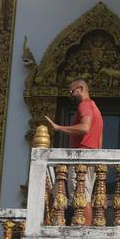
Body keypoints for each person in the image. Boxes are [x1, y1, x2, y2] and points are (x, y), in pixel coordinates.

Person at [44, 79, 104, 226]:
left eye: (72, 91)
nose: (71, 95)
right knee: (85, 195)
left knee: (80, 195)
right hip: (91, 156)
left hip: (82, 157)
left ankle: (84, 229)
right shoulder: (95, 107)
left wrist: (59, 128)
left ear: (80, 88)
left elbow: (84, 128)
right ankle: (86, 228)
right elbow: (100, 139)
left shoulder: (85, 105)